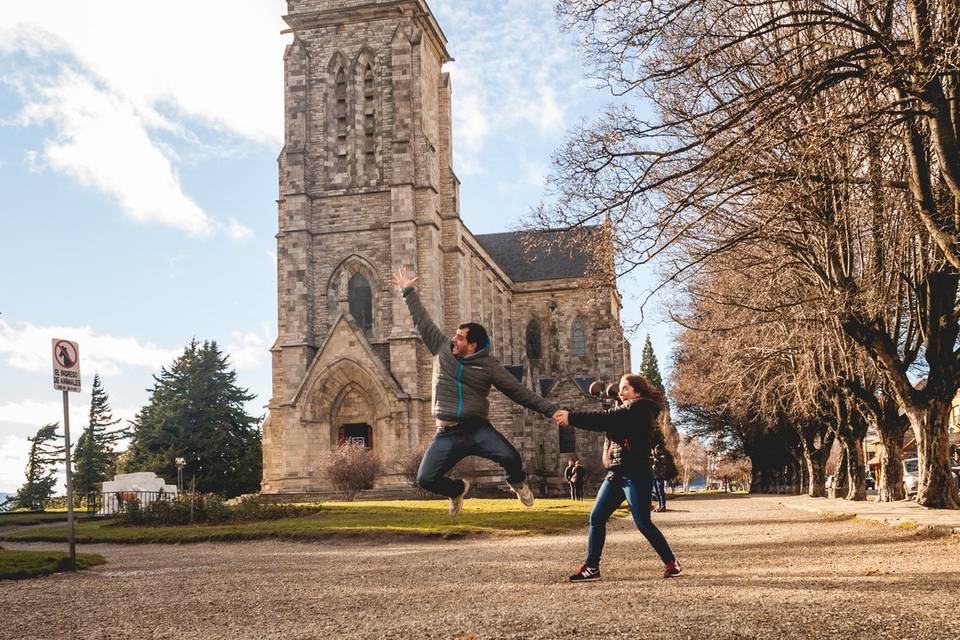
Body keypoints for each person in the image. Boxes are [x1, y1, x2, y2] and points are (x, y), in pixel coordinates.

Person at [389, 266, 563, 516]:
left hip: (477, 429)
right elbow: (422, 320)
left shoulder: (488, 366)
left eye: (460, 338)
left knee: (511, 458)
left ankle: (518, 485)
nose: (454, 340)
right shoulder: (442, 348)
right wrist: (407, 291)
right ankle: (457, 489)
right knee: (425, 479)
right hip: (446, 432)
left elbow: (518, 391)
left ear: (472, 345)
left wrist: (552, 410)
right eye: (455, 336)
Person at [555, 374, 682, 581]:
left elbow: (604, 420)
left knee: (643, 523)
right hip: (616, 473)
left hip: (637, 475)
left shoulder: (639, 409)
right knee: (596, 518)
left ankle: (672, 563)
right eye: (621, 389)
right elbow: (615, 411)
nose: (621, 393)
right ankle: (592, 567)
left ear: (637, 392)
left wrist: (572, 417)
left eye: (626, 389)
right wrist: (612, 393)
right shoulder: (627, 407)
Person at [651, 444, 668, 512]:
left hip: (660, 476)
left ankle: (663, 506)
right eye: (656, 449)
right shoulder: (654, 457)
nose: (656, 450)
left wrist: (654, 454)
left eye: (657, 449)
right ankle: (660, 505)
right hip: (654, 476)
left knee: (661, 491)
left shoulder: (663, 457)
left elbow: (658, 459)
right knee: (656, 492)